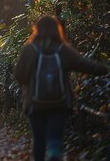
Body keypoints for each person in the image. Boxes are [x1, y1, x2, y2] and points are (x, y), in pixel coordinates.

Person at [14, 16, 108, 161]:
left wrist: (29, 80)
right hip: (60, 103)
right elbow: (84, 65)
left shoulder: (29, 50)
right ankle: (54, 154)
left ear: (37, 29)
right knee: (55, 135)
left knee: (38, 139)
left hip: (35, 102)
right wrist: (105, 69)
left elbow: (19, 75)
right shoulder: (63, 50)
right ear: (57, 29)